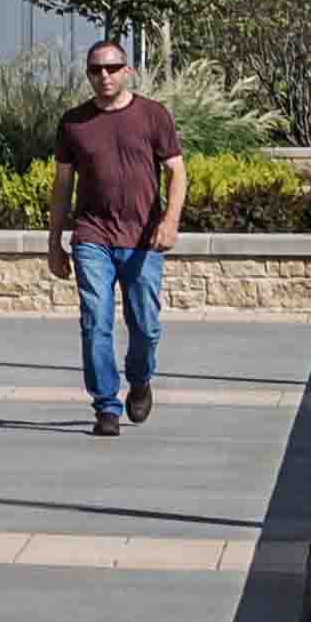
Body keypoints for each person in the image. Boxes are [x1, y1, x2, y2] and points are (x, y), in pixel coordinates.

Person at [42, 41, 183, 435]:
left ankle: (139, 380)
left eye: (112, 67)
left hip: (143, 239)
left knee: (145, 326)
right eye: (95, 70)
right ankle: (105, 405)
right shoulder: (73, 122)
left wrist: (169, 221)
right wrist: (54, 242)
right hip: (92, 236)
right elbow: (62, 185)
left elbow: (177, 172)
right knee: (95, 321)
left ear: (127, 71)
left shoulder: (153, 115)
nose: (104, 75)